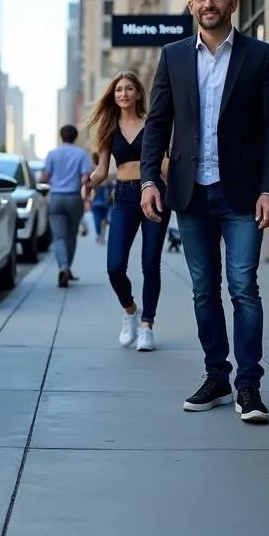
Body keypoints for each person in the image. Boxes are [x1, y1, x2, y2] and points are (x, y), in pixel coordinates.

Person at [141, 0, 269, 423]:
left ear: (232, 3)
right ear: (190, 5)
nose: (209, 4)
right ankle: (216, 377)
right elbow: (158, 123)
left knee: (243, 287)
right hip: (190, 193)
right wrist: (149, 179)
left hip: (242, 192)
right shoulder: (173, 56)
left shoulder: (261, 56)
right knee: (204, 290)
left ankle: (249, 387)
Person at [83, 71, 169, 352]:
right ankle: (130, 309)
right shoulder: (108, 128)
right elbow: (102, 169)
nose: (123, 93)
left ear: (138, 94)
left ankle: (147, 325)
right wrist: (89, 182)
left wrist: (171, 173)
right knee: (115, 266)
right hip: (123, 197)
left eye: (129, 88)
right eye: (119, 89)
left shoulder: (153, 124)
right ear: (114, 95)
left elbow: (165, 162)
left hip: (155, 194)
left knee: (150, 262)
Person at [41, 124, 92, 287]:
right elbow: (86, 177)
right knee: (71, 235)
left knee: (58, 236)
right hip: (73, 197)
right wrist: (87, 197)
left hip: (56, 197)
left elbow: (45, 177)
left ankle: (63, 267)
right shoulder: (81, 154)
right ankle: (67, 268)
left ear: (60, 136)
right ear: (75, 137)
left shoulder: (52, 154)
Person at [88, 150, 111, 244]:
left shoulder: (92, 172)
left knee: (97, 218)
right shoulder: (106, 170)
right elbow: (109, 183)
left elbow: (89, 186)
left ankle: (99, 235)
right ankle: (101, 235)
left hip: (96, 199)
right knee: (104, 218)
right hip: (105, 198)